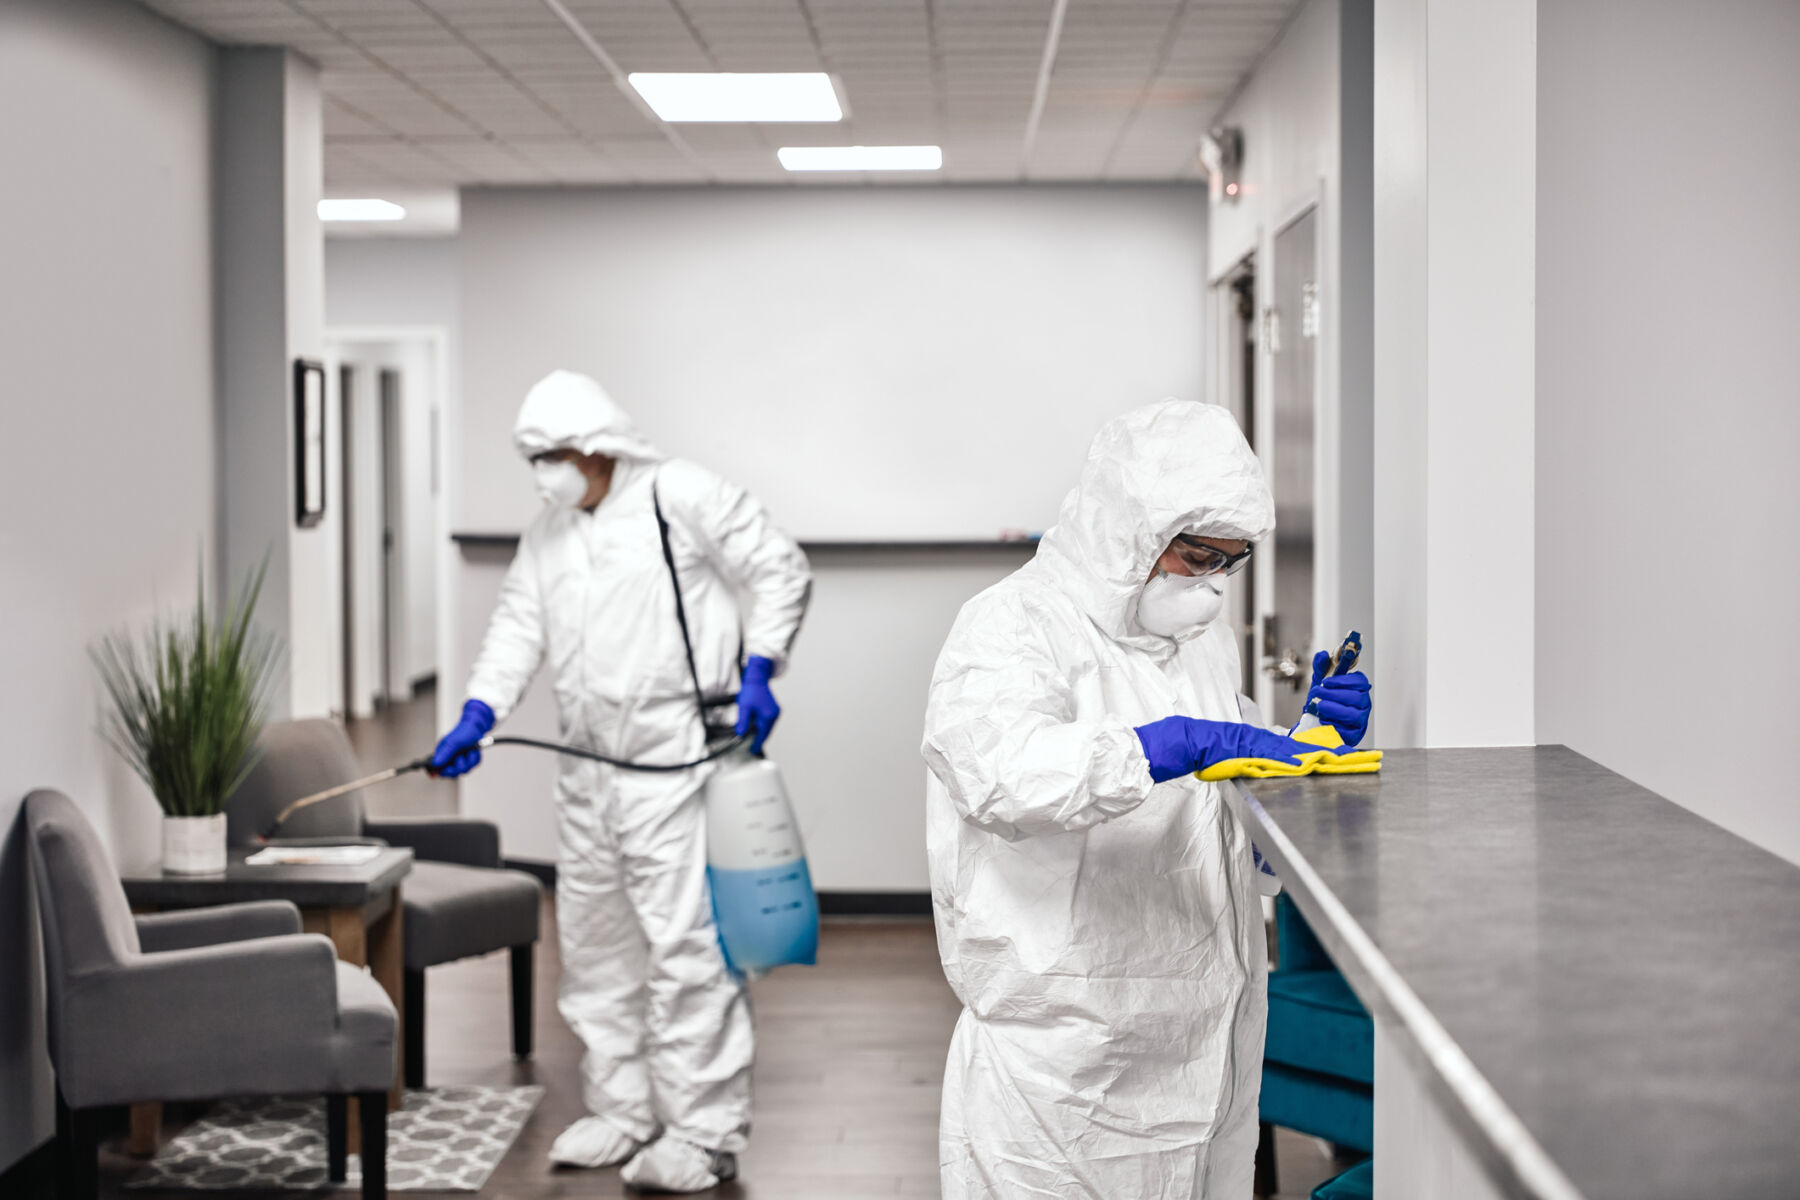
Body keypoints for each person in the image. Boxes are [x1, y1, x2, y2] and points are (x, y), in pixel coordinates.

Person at [921, 399, 1370, 1199]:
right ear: (1127, 530)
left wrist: (1304, 755)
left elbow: (1222, 828)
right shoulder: (1011, 625)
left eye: (1231, 563)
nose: (1213, 586)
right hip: (1069, 1068)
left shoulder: (1200, 643)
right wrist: (1163, 746)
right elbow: (998, 775)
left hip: (1209, 1049)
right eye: (1198, 557)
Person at [431, 369, 811, 1191]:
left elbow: (778, 566)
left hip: (673, 756)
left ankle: (703, 1131)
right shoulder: (550, 532)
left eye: (556, 454)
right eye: (533, 457)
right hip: (587, 768)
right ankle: (623, 1109)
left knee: (685, 946)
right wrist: (477, 710)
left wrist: (761, 665)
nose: (545, 472)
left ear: (602, 448)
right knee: (598, 945)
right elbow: (516, 627)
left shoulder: (679, 494)